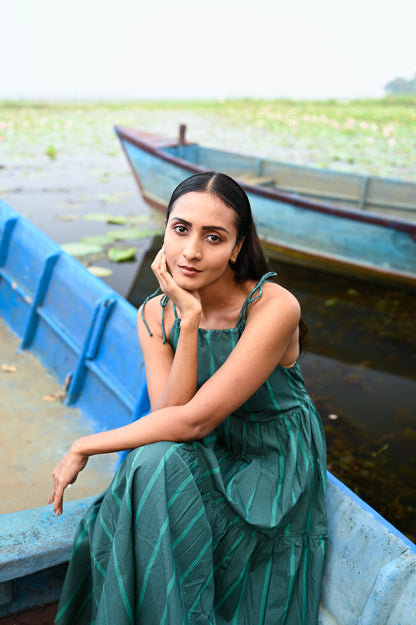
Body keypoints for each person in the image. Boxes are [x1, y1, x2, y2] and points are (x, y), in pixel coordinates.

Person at [49, 171, 327, 625]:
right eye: (180, 230)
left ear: (237, 248)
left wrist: (84, 444)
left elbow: (193, 423)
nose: (191, 251)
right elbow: (171, 416)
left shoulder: (273, 306)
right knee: (153, 458)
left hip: (269, 460)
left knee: (149, 462)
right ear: (165, 231)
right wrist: (190, 319)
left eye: (213, 237)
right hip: (201, 443)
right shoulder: (155, 314)